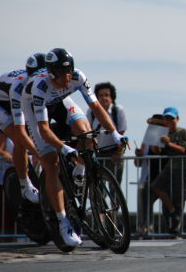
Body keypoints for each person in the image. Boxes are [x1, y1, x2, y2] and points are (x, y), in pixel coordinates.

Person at [21, 48, 127, 248]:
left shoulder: (77, 77)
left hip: (60, 101)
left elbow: (96, 108)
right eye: (62, 74)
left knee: (85, 131)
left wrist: (115, 133)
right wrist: (63, 148)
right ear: (51, 73)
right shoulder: (40, 86)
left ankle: (81, 171)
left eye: (70, 72)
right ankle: (63, 222)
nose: (68, 78)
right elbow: (43, 129)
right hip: (37, 110)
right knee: (51, 162)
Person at [0, 53, 46, 204]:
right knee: (20, 140)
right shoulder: (18, 86)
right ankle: (25, 186)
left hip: (13, 100)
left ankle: (37, 173)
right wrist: (43, 155)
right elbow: (20, 131)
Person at [151, 107, 186, 237]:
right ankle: (172, 211)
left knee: (180, 198)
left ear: (177, 119)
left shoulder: (182, 132)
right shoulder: (164, 133)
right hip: (171, 167)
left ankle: (176, 226)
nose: (169, 121)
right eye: (167, 118)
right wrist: (157, 140)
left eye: (172, 118)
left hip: (184, 168)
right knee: (156, 186)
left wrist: (169, 144)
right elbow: (158, 152)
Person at [87, 82, 127, 184]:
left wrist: (118, 153)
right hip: (98, 154)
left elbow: (121, 132)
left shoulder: (118, 111)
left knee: (115, 189)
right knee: (98, 188)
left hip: (115, 154)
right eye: (100, 95)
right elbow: (88, 130)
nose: (104, 98)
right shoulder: (91, 111)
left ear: (112, 97)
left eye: (107, 95)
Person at [135, 113, 164, 236]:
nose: (152, 126)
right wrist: (139, 154)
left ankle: (148, 226)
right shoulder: (147, 138)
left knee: (149, 199)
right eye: (151, 124)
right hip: (146, 175)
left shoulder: (162, 135)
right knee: (144, 201)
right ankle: (144, 227)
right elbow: (138, 163)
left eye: (155, 124)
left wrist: (154, 137)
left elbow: (158, 151)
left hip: (157, 174)